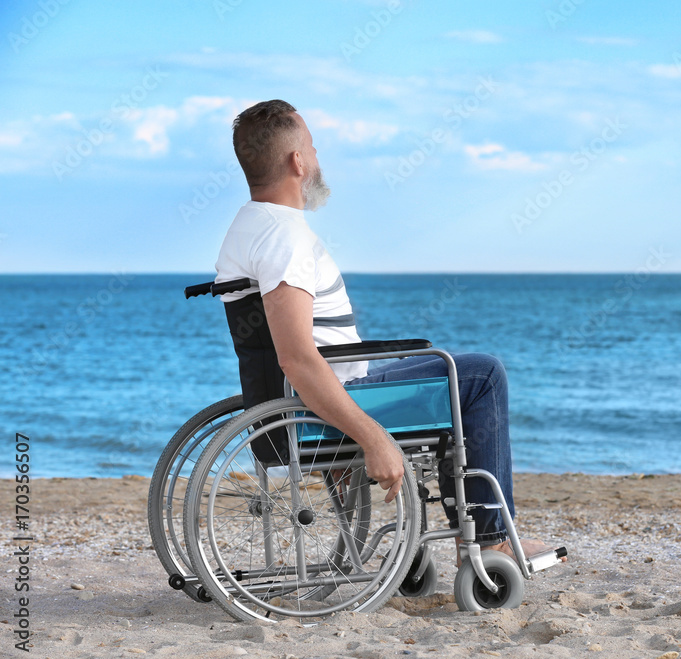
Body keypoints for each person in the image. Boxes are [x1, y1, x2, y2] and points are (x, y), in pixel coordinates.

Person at [215, 99, 557, 561]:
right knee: (479, 376)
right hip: (331, 400)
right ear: (298, 162)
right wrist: (372, 437)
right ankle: (491, 539)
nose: (317, 158)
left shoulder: (247, 227)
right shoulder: (285, 238)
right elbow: (295, 357)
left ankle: (459, 534)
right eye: (312, 148)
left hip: (302, 399)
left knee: (438, 367)